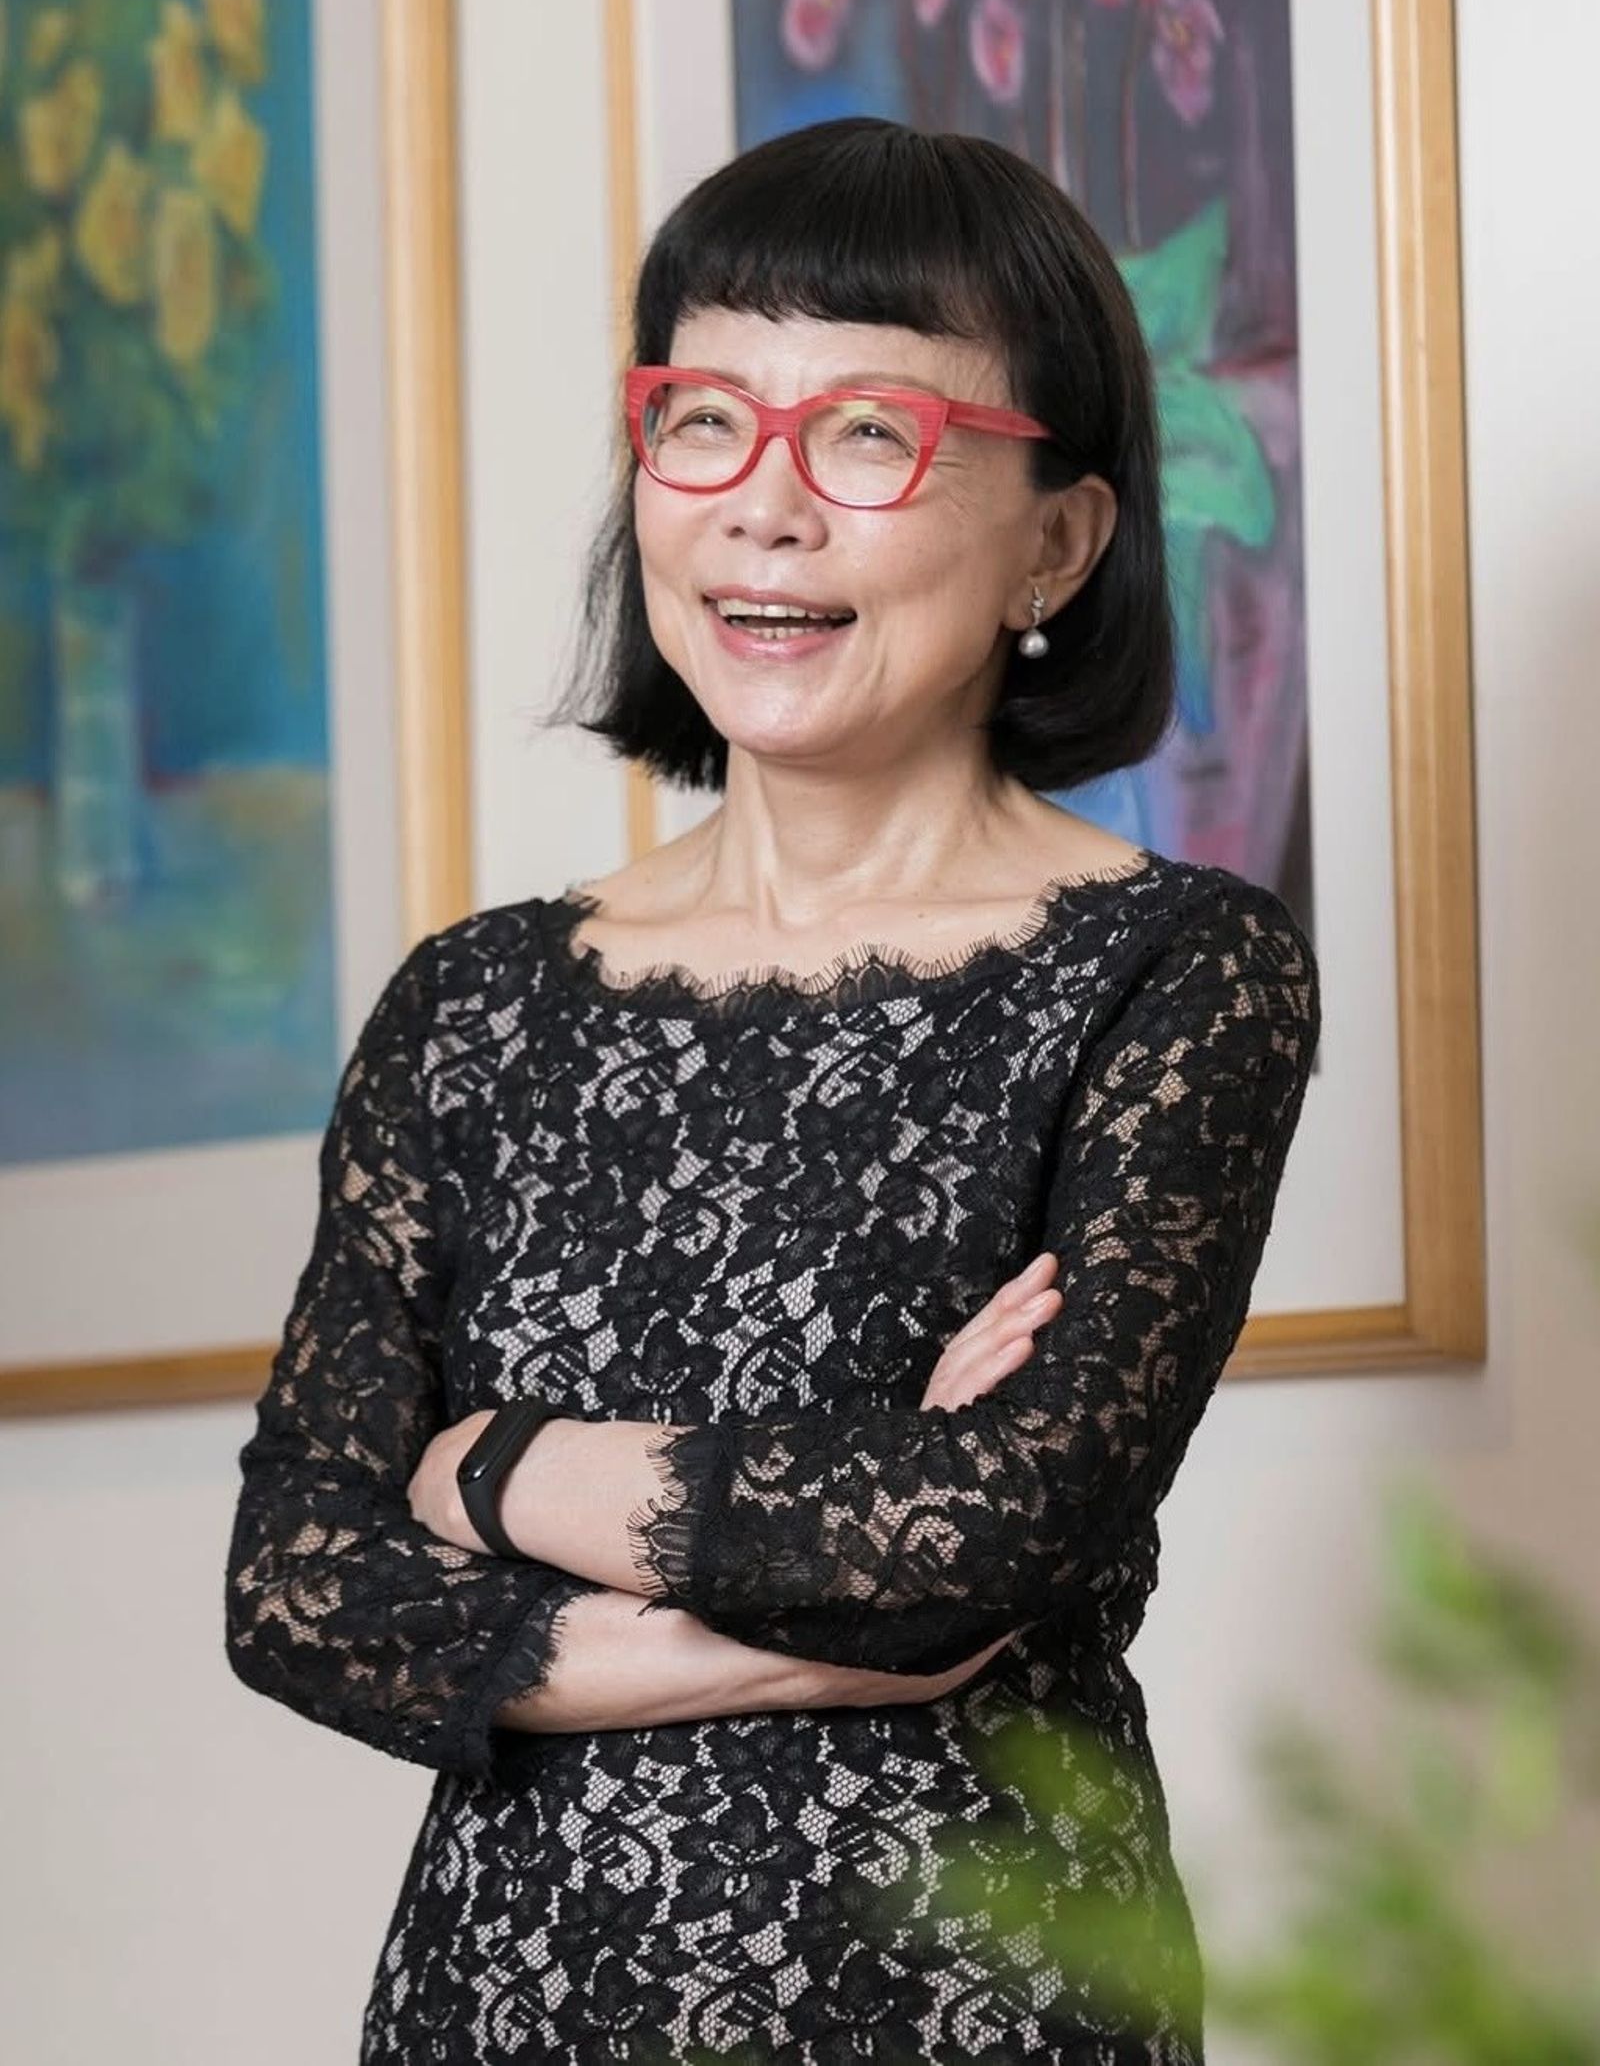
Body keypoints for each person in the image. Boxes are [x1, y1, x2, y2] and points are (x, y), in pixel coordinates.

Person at [225, 115, 1320, 2063]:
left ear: (1056, 540)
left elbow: (987, 1530)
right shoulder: (473, 1005)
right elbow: (301, 1581)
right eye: (705, 421)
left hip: (974, 2001)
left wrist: (488, 1464)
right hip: (500, 2005)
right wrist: (803, 1600)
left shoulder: (1174, 971)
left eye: (871, 434)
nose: (764, 509)